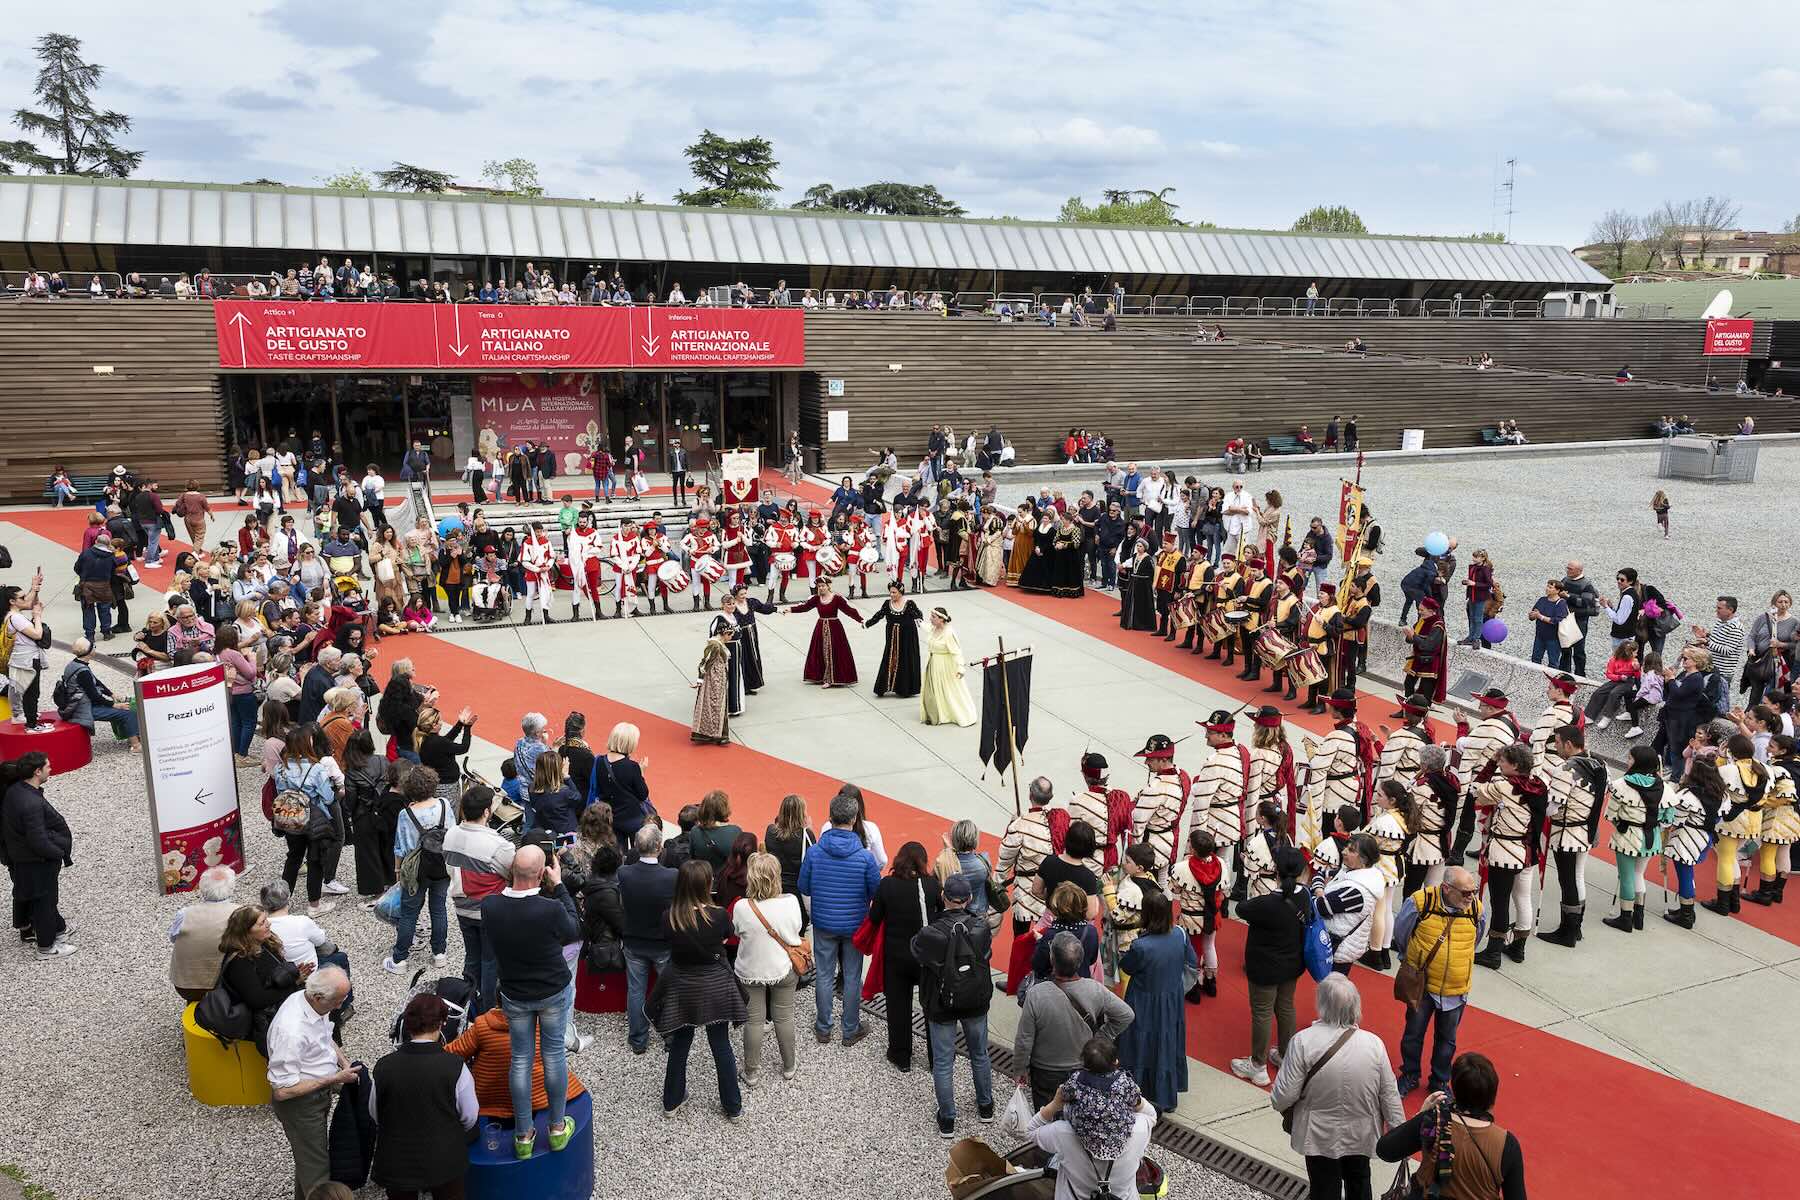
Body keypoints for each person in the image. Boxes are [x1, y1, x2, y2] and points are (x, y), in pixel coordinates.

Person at [480, 845, 579, 1158]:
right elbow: (573, 931)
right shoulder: (549, 908)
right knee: (553, 1056)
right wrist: (560, 885)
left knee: (520, 1059)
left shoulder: (490, 906)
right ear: (541, 873)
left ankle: (524, 1135)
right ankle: (557, 1127)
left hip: (515, 992)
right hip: (551, 990)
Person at [1270, 972, 1403, 1200]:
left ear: (1321, 1003)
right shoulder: (1374, 1044)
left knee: (1323, 1187)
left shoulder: (1303, 1041)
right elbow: (1389, 1094)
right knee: (1360, 1182)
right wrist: (1400, 1133)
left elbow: (1284, 1095)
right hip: (1361, 1132)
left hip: (1318, 1134)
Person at [654, 861, 747, 1121]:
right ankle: (732, 1106)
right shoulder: (718, 916)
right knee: (721, 1045)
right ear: (707, 884)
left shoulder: (669, 917)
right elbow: (727, 939)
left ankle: (672, 1101)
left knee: (680, 1044)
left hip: (682, 985)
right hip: (715, 984)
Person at [911, 872, 995, 1136]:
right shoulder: (980, 928)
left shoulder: (931, 933)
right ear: (969, 899)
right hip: (975, 999)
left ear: (943, 897)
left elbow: (916, 950)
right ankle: (986, 1106)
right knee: (979, 1054)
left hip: (941, 1001)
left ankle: (947, 1117)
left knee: (944, 1061)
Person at [1377, 1052, 1526, 1200]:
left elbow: (1386, 1150)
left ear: (1454, 1089)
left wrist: (1420, 1116)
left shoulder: (1432, 1120)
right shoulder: (1507, 1144)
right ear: (1492, 1095)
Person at [1025, 1035, 1158, 1200]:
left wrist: (1055, 1104)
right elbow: (1152, 1115)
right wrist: (1135, 1098)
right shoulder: (1139, 1128)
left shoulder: (1063, 1133)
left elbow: (1030, 1131)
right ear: (1116, 1063)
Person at [798, 790, 882, 1046]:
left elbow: (804, 886)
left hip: (824, 922)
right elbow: (875, 891)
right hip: (854, 924)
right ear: (855, 817)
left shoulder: (814, 853)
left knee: (824, 974)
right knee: (853, 976)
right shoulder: (865, 858)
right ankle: (850, 1029)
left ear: (830, 817)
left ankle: (824, 1027)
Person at [1014, 931, 1135, 1107]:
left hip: (1045, 1069)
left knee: (1046, 1117)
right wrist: (1101, 1038)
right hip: (1083, 1066)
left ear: (1052, 960)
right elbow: (1126, 1015)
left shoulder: (1036, 994)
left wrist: (1020, 1068)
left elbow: (1024, 1039)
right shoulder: (1095, 989)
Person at [266, 966, 353, 1200]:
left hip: (317, 1088)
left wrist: (343, 1064)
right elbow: (282, 1091)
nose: (340, 1006)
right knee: (317, 1170)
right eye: (338, 1001)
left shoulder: (307, 1000)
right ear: (318, 997)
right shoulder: (291, 1031)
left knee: (309, 1159)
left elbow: (325, 1039)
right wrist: (334, 1079)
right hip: (301, 1104)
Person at [1232, 846, 1308, 1087]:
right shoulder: (1304, 896)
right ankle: (1286, 1055)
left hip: (1265, 966)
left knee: (1262, 1012)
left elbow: (1240, 908)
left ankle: (1258, 1065)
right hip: (1292, 963)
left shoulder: (1266, 903)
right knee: (1286, 1007)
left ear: (1276, 870)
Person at [1116, 892, 1195, 1114]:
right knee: (1167, 1042)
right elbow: (1191, 963)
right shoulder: (1180, 934)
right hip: (1171, 999)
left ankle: (1138, 1091)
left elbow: (1127, 967)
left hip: (1143, 1000)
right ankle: (1165, 1096)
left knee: (1140, 1043)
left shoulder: (1141, 945)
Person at [732, 851, 804, 1085]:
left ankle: (751, 1072)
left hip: (751, 970)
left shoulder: (742, 907)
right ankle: (789, 1066)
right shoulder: (791, 902)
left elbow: (736, 932)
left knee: (754, 1021)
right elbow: (798, 929)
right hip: (783, 967)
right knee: (784, 1016)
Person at [443, 785, 515, 1016]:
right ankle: (486, 1013)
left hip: (462, 907)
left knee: (472, 957)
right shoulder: (497, 844)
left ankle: (466, 1006)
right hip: (490, 910)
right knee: (490, 961)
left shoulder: (451, 835)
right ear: (486, 812)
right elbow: (511, 873)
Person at [274, 725, 345, 917]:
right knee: (315, 860)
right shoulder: (316, 769)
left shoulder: (280, 767)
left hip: (291, 818)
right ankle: (314, 905)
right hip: (314, 820)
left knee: (293, 857)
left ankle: (281, 903)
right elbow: (328, 798)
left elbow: (280, 791)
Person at [619, 824, 678, 1054]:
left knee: (636, 990)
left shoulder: (624, 873)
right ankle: (670, 1035)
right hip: (662, 943)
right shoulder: (671, 876)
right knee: (667, 990)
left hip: (634, 941)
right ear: (660, 847)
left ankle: (638, 1039)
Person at [1310, 831, 1385, 975]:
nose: (1343, 851)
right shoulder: (1349, 870)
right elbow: (1320, 874)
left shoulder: (1358, 890)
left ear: (1364, 859)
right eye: (1346, 847)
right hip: (1333, 944)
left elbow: (1319, 907)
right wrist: (1320, 890)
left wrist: (1319, 892)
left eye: (1351, 850)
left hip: (1340, 950)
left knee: (1332, 992)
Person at [55, 638, 141, 750]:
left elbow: (96, 681)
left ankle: (133, 735)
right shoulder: (83, 672)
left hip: (77, 704)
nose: (95, 649)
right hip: (83, 709)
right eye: (94, 647)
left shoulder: (75, 664)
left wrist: (112, 694)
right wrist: (114, 705)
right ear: (89, 651)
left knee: (123, 707)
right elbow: (94, 695)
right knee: (127, 713)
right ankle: (135, 746)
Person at [169, 866, 240, 1000]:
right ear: (231, 889)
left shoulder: (184, 914)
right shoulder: (240, 913)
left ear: (202, 889)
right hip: (223, 986)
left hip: (185, 986)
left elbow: (173, 938)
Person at [788, 576, 864, 687]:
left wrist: (860, 619)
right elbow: (804, 607)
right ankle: (822, 677)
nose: (821, 588)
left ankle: (833, 678)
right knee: (820, 651)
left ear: (828, 586)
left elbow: (849, 610)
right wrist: (790, 609)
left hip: (835, 629)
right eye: (819, 586)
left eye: (823, 586)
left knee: (835, 651)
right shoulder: (816, 599)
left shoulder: (837, 598)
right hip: (820, 628)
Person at [590, 721, 652, 849]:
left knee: (617, 853)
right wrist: (641, 773)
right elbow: (643, 794)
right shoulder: (632, 767)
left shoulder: (600, 761)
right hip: (632, 818)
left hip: (611, 817)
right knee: (638, 851)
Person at [919, 606, 978, 727]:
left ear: (941, 619)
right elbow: (925, 627)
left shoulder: (948, 633)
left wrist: (960, 668)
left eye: (933, 617)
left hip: (945, 666)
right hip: (934, 663)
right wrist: (917, 620)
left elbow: (957, 652)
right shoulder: (934, 628)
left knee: (950, 690)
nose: (930, 619)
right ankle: (939, 713)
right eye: (931, 616)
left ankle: (959, 713)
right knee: (935, 689)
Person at [864, 582, 924, 697]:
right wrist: (868, 624)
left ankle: (904, 689)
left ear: (901, 592)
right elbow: (879, 615)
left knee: (905, 660)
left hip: (907, 638)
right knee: (890, 658)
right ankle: (885, 686)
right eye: (890, 592)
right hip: (892, 638)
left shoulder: (909, 604)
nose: (891, 595)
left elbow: (918, 615)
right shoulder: (887, 604)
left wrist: (918, 619)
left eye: (894, 592)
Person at [690, 617, 736, 745]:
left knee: (717, 706)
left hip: (719, 679)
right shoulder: (714, 645)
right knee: (714, 706)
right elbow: (704, 663)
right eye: (730, 635)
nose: (731, 637)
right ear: (725, 634)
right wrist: (699, 680)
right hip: (713, 681)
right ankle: (717, 735)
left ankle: (714, 733)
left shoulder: (719, 644)